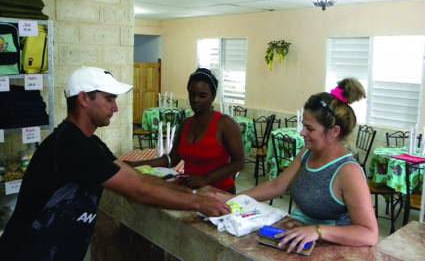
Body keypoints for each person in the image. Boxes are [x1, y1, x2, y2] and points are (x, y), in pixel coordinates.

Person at [0, 66, 230, 261]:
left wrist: (189, 191)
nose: (115, 107)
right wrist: (197, 203)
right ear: (83, 98)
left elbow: (136, 177)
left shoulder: (88, 142)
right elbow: (138, 190)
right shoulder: (72, 146)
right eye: (109, 99)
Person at [230, 78, 378, 252]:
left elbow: (369, 234)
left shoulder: (348, 172)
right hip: (299, 237)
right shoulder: (307, 153)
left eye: (310, 128)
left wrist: (318, 231)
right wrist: (234, 201)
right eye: (303, 126)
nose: (302, 133)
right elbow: (277, 186)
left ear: (334, 131)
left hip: (332, 247)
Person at [129, 68, 244, 194]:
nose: (195, 100)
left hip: (220, 192)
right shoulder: (185, 124)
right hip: (191, 191)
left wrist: (206, 179)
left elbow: (239, 162)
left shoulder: (226, 124)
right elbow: (172, 159)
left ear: (213, 96)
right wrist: (136, 164)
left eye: (202, 95)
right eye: (192, 94)